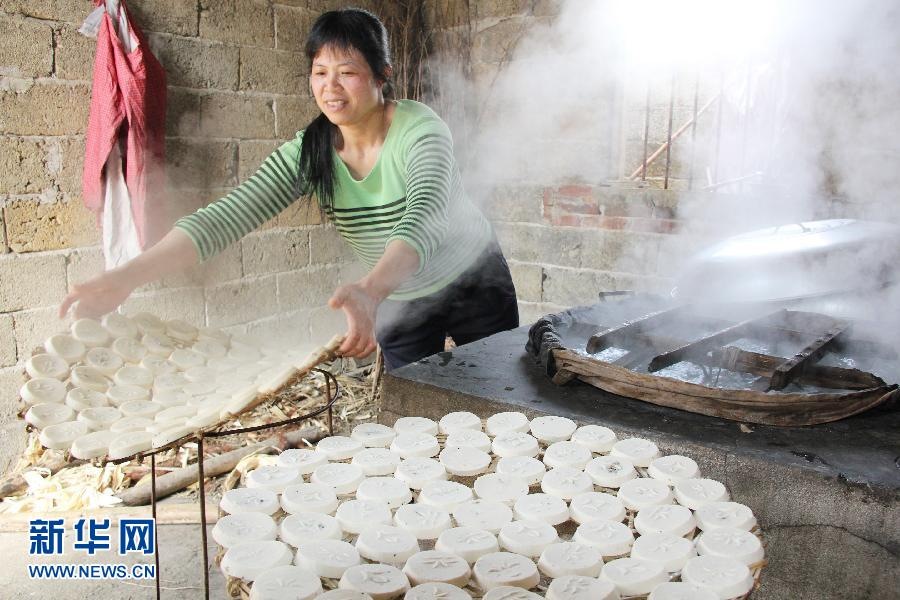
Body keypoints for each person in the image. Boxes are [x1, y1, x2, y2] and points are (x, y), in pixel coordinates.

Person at [60, 8, 519, 370]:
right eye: (319, 72)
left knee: (500, 397)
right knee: (415, 416)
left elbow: (424, 215)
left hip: (472, 280)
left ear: (382, 75)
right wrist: (124, 277)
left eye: (347, 72)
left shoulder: (419, 129)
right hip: (396, 297)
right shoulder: (311, 150)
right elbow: (224, 218)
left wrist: (369, 290)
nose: (331, 87)